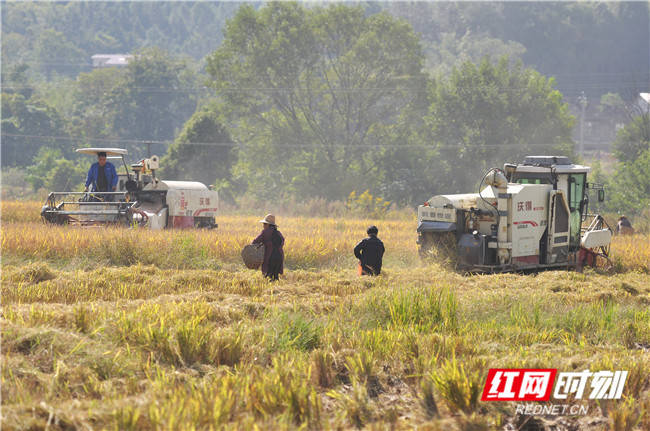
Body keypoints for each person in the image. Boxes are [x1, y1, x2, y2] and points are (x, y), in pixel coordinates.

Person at [252, 214, 284, 281]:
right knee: (275, 276)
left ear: (268, 225)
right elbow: (282, 242)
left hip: (270, 257)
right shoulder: (278, 233)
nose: (263, 226)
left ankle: (270, 290)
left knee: (268, 276)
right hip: (279, 256)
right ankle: (276, 288)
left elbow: (255, 241)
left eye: (264, 224)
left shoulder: (265, 232)